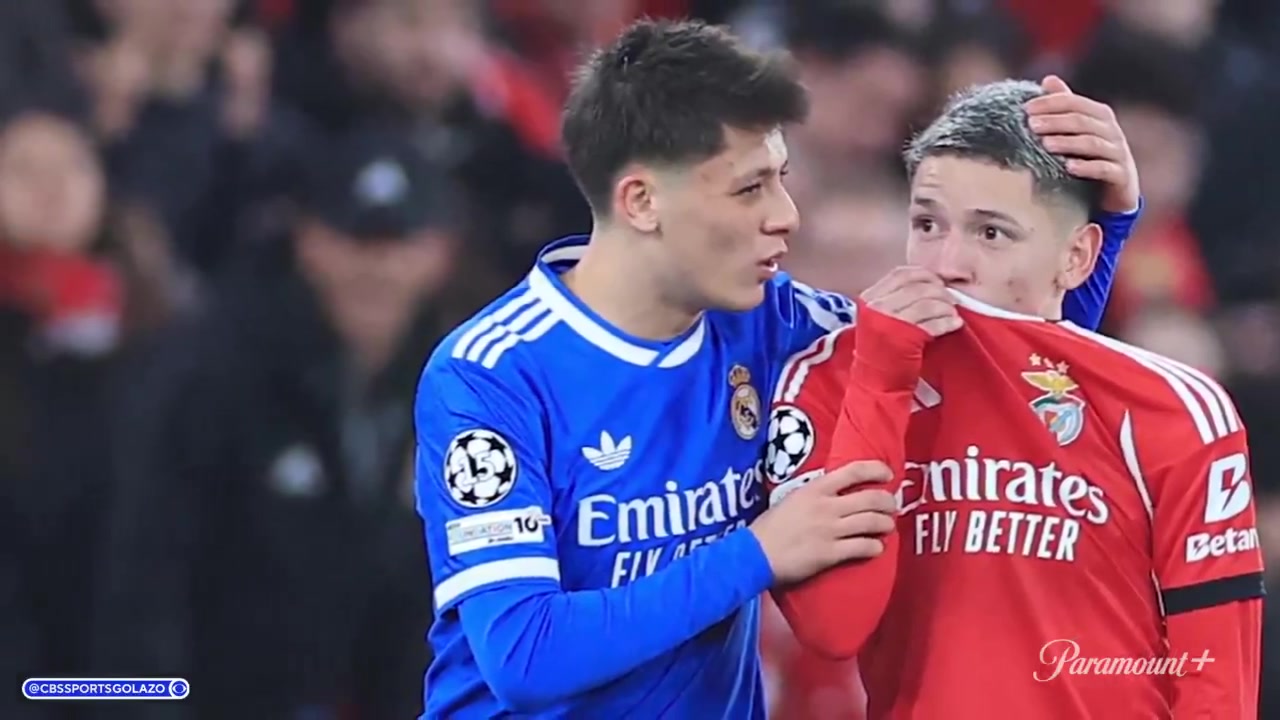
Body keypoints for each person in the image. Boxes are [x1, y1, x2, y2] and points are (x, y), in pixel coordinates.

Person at [414, 20, 1139, 719]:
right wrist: (758, 552)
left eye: (783, 178)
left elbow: (1000, 380)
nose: (786, 215)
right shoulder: (492, 375)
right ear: (642, 201)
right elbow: (525, 655)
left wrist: (1103, 224)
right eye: (749, 188)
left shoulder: (776, 324)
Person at [764, 79, 1261, 718]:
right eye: (927, 224)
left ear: (1077, 256)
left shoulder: (1173, 407)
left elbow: (1217, 678)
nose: (947, 263)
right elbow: (834, 626)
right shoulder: (828, 381)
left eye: (991, 233)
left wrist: (1114, 224)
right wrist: (880, 382)